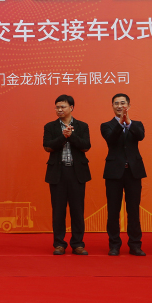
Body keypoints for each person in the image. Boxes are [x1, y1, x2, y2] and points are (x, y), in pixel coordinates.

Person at [43, 95, 91, 255]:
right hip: (58, 173)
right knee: (58, 211)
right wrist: (63, 137)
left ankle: (78, 244)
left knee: (77, 210)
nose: (59, 110)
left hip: (77, 173)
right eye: (57, 107)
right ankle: (59, 244)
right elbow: (47, 146)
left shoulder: (82, 126)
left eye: (63, 107)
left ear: (71, 108)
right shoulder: (50, 126)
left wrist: (72, 136)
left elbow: (86, 146)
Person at [100, 93, 147, 256]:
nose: (119, 106)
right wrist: (120, 124)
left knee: (133, 210)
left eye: (122, 103)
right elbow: (111, 140)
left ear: (129, 106)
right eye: (116, 103)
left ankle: (135, 245)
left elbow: (140, 136)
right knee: (113, 210)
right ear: (112, 106)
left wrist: (128, 123)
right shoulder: (106, 125)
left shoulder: (137, 124)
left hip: (133, 172)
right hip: (114, 173)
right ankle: (114, 245)